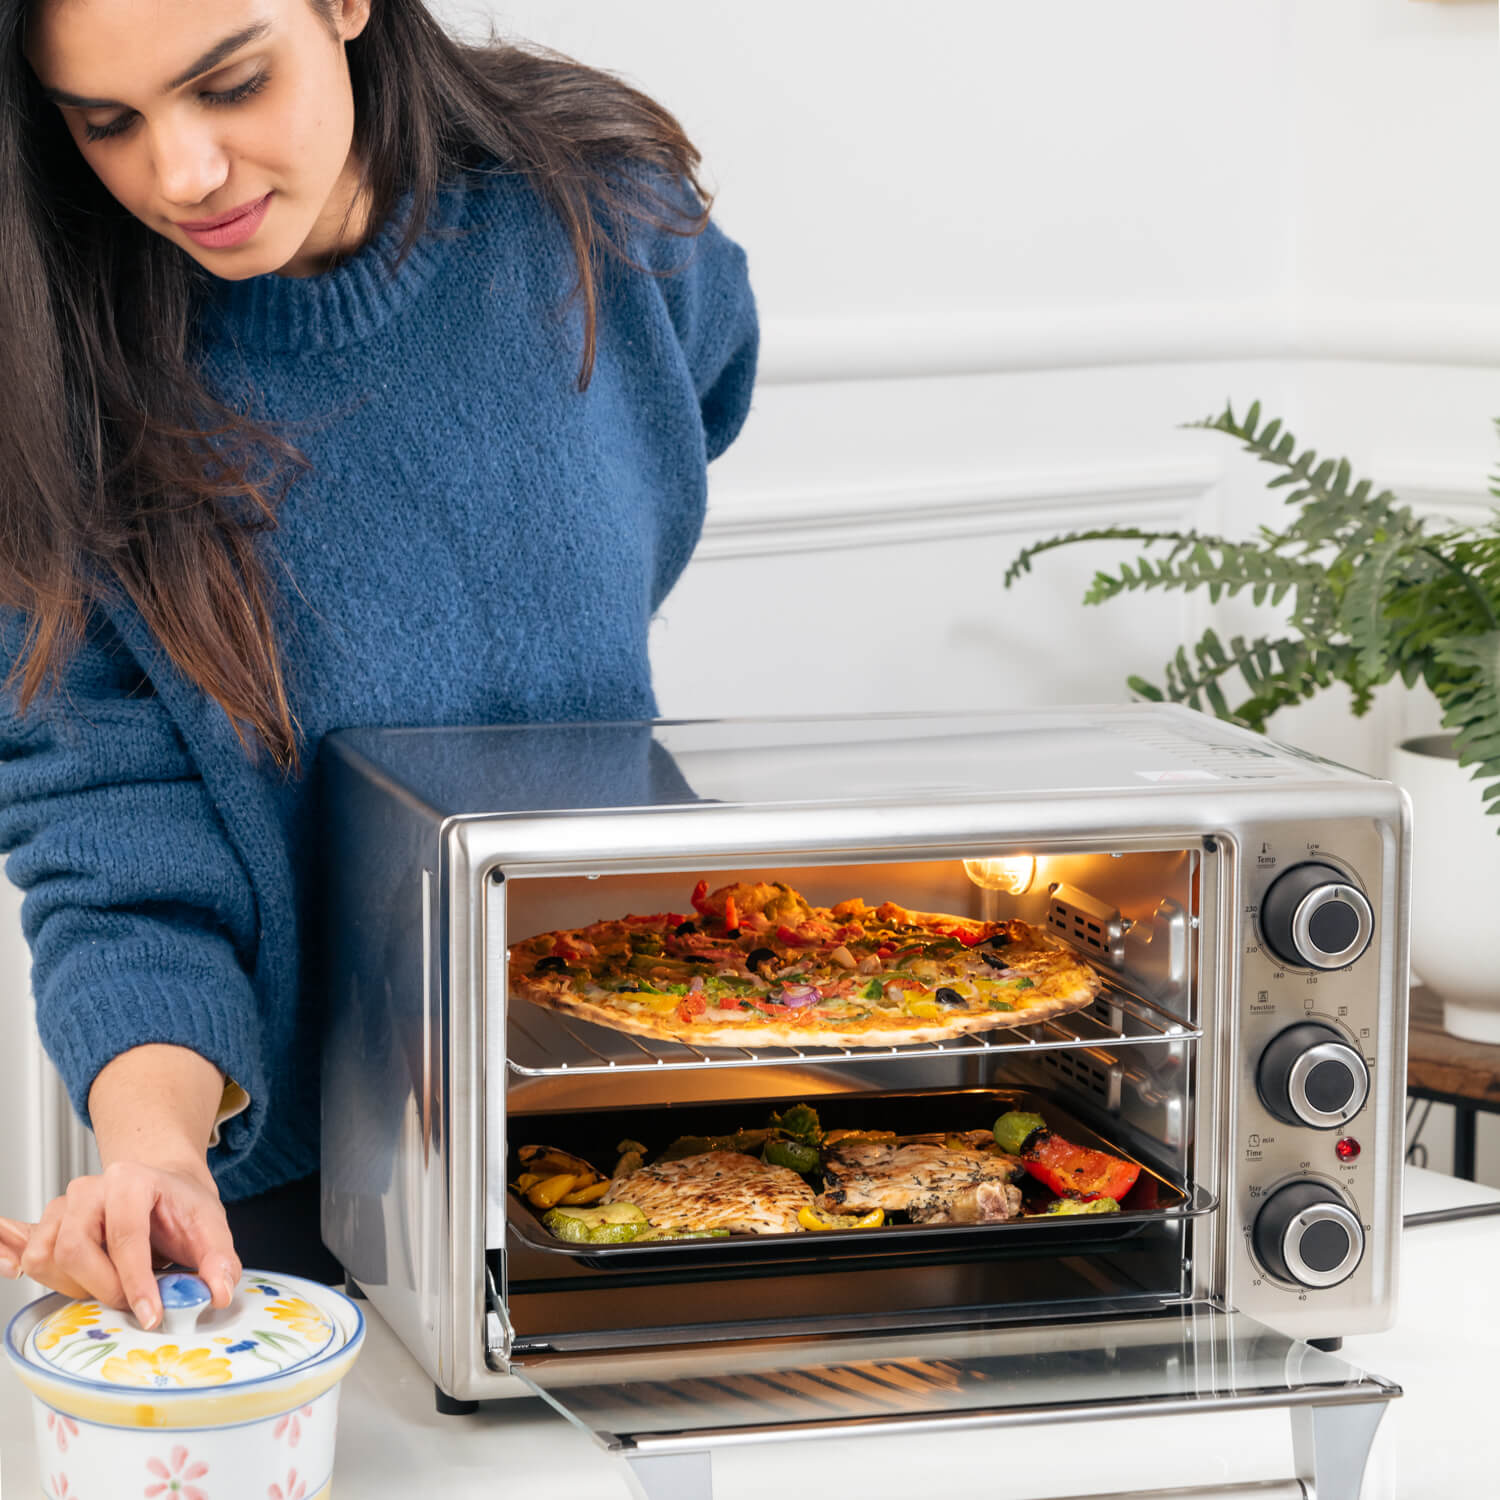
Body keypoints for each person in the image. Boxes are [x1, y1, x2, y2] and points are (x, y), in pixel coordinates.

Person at [0, 0, 758, 1333]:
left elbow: (684, 417)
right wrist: (157, 1150)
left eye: (230, 84)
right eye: (106, 123)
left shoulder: (607, 220)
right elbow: (116, 856)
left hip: (662, 1084)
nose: (180, 175)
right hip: (311, 1199)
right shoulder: (55, 383)